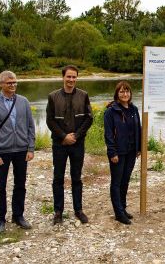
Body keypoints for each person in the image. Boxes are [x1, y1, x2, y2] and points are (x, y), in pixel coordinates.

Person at [0, 71, 35, 233]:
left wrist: (30, 148)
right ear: (1, 84)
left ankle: (18, 216)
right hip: (2, 152)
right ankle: (0, 219)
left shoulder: (23, 102)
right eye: (9, 82)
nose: (12, 85)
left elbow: (30, 126)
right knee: (0, 186)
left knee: (20, 184)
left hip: (21, 150)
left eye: (14, 82)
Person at [46, 65, 93, 225]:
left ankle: (78, 210)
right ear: (63, 77)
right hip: (59, 144)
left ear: (77, 78)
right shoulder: (52, 96)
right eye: (68, 77)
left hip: (77, 144)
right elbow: (50, 120)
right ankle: (58, 211)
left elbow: (89, 118)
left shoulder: (83, 95)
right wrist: (64, 136)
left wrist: (76, 136)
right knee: (58, 178)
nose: (71, 80)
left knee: (77, 178)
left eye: (74, 77)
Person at [104, 81, 141, 225]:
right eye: (121, 92)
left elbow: (138, 129)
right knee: (116, 182)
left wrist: (139, 148)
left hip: (131, 151)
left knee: (125, 180)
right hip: (118, 152)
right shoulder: (110, 111)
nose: (125, 94)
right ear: (117, 94)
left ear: (130, 94)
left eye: (127, 91)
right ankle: (118, 213)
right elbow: (108, 134)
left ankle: (123, 208)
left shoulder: (134, 109)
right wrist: (112, 152)